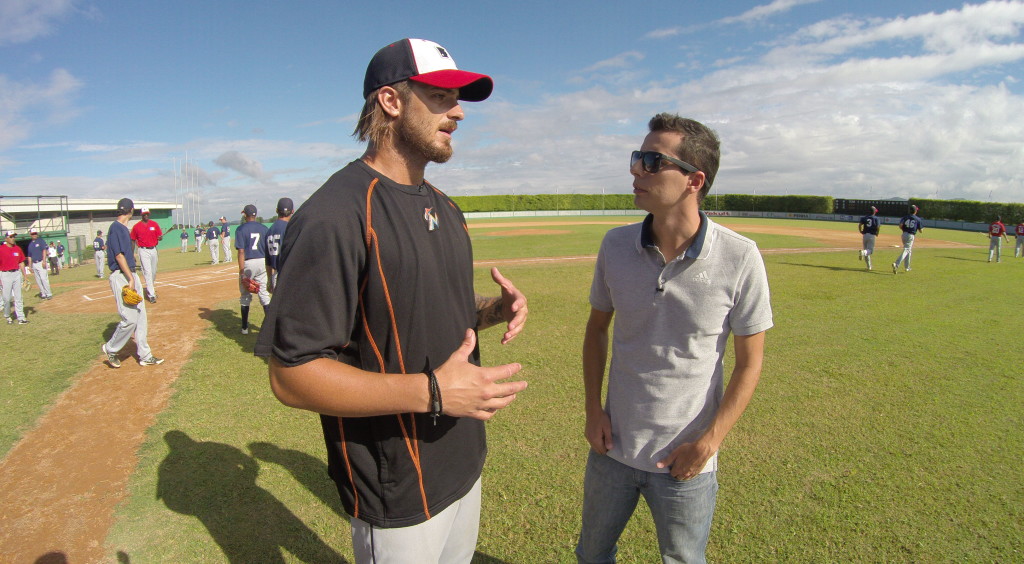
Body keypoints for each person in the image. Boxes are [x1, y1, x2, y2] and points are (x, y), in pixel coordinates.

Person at [254, 38, 528, 564]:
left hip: (463, 460)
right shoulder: (334, 214)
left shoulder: (445, 207)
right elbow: (291, 376)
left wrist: (497, 309)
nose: (458, 112)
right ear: (391, 101)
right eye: (442, 96)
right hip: (398, 483)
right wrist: (433, 392)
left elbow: (428, 307)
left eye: (459, 98)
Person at [577, 113, 773, 564]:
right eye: (636, 158)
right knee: (592, 554)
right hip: (613, 449)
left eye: (651, 161)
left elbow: (750, 363)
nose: (635, 170)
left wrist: (709, 443)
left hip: (687, 460)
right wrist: (593, 410)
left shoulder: (740, 257)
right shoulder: (614, 245)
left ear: (694, 180)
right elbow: (595, 330)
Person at [101, 198, 164, 368]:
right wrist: (130, 278)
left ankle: (145, 355)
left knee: (141, 318)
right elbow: (119, 256)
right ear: (131, 211)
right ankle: (110, 348)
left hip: (130, 273)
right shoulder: (116, 228)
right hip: (122, 276)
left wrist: (133, 274)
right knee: (130, 319)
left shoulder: (122, 228)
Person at [235, 204, 271, 334]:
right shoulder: (264, 228)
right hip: (262, 261)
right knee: (264, 295)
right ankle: (270, 328)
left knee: (245, 295)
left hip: (249, 262)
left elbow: (241, 252)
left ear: (245, 215)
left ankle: (244, 328)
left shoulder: (241, 229)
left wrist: (242, 272)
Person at [131, 207, 163, 303]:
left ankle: (150, 287)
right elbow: (132, 240)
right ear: (141, 215)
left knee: (153, 272)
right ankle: (151, 295)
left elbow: (159, 237)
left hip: (153, 249)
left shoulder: (154, 224)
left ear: (149, 214)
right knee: (147, 272)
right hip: (143, 250)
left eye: (147, 214)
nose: (146, 216)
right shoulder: (136, 227)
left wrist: (160, 238)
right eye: (144, 214)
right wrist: (132, 253)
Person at [265, 197, 293, 293]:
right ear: (292, 211)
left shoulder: (269, 231)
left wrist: (269, 280)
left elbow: (268, 261)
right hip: (289, 275)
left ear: (277, 210)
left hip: (276, 275)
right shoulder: (291, 228)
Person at [1, 231, 29, 324]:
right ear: (6, 239)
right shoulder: (1, 249)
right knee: (7, 298)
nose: (13, 238)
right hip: (5, 274)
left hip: (16, 273)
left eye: (14, 236)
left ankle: (21, 317)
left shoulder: (17, 249)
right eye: (11, 237)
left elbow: (21, 262)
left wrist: (25, 276)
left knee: (18, 297)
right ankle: (7, 315)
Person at [892, 205, 924, 274]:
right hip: (910, 235)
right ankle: (896, 264)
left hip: (904, 235)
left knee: (908, 251)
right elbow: (921, 231)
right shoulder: (917, 219)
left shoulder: (905, 217)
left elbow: (900, 226)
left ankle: (907, 267)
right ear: (915, 211)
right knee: (906, 250)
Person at [26, 229, 53, 300]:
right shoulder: (30, 244)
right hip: (34, 264)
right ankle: (43, 293)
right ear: (30, 235)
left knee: (44, 279)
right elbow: (29, 256)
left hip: (41, 262)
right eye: (33, 234)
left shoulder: (40, 241)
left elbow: (44, 250)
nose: (34, 235)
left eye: (35, 233)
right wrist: (29, 266)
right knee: (38, 280)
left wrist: (44, 261)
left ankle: (49, 293)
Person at [857, 206, 880, 270]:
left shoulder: (864, 218)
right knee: (870, 251)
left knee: (866, 250)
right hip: (871, 236)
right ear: (874, 212)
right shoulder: (876, 218)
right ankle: (862, 253)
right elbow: (878, 227)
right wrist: (877, 233)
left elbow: (859, 225)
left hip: (865, 235)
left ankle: (869, 266)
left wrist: (860, 231)